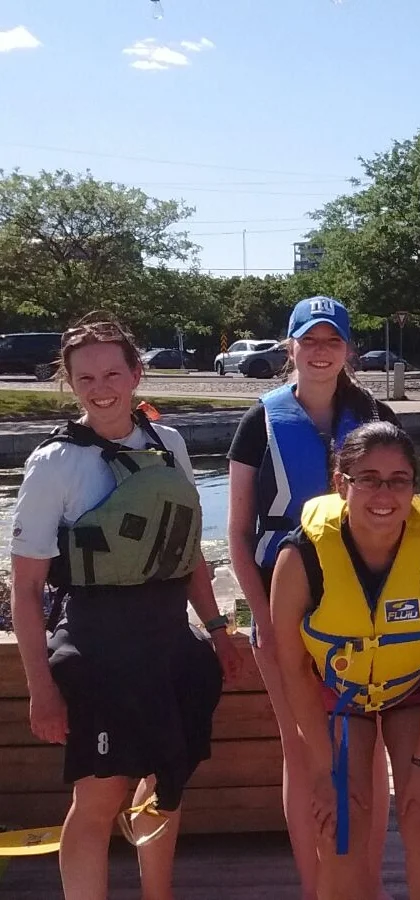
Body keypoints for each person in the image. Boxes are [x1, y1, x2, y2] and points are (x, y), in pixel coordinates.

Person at [10, 317, 241, 900]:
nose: (101, 386)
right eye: (85, 376)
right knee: (98, 798)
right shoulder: (53, 463)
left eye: (114, 372)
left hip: (168, 643)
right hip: (98, 649)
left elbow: (186, 550)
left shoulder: (170, 444)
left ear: (137, 374)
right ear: (69, 383)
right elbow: (27, 587)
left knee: (166, 786)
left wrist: (217, 631)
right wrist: (41, 687)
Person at [227, 296, 398, 899]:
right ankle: (315, 886)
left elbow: (402, 509)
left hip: (365, 608)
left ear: (347, 349)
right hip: (285, 607)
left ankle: (366, 884)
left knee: (368, 752)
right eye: (309, 339)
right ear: (290, 346)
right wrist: (262, 621)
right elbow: (239, 533)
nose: (321, 350)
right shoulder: (260, 421)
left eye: (332, 340)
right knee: (303, 750)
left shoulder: (374, 416)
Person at [271, 422, 420, 900]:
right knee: (341, 826)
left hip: (418, 688)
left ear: (413, 486)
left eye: (398, 480)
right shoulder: (301, 554)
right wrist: (324, 770)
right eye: (367, 478)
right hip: (339, 694)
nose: (383, 493)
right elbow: (293, 670)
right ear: (340, 483)